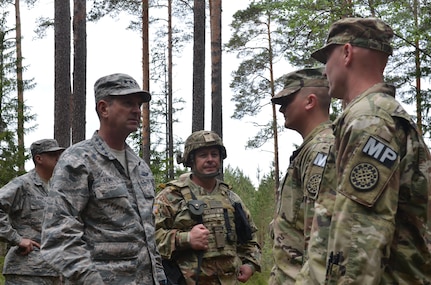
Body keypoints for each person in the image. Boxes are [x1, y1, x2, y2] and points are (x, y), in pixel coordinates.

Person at [297, 17, 431, 284]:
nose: (324, 72)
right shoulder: (368, 115)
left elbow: (359, 237)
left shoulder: (370, 119)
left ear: (346, 53)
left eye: (327, 60)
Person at [40, 73, 167, 285]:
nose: (137, 110)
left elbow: (148, 237)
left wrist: (160, 278)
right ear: (103, 108)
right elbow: (58, 237)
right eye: (127, 103)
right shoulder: (78, 161)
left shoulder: (140, 167)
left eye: (139, 104)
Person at [154, 130, 261, 284]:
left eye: (214, 154)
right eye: (203, 155)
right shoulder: (171, 197)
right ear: (191, 160)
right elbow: (149, 238)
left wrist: (250, 264)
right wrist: (186, 239)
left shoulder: (231, 198)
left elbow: (250, 238)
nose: (210, 159)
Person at [268, 68, 334, 285]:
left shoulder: (322, 150)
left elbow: (322, 234)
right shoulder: (310, 150)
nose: (281, 110)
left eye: (287, 101)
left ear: (310, 101)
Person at [0, 139, 65, 284]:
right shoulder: (23, 185)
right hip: (26, 272)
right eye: (53, 154)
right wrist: (17, 239)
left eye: (59, 154)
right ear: (39, 158)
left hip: (54, 271)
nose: (58, 158)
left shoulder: (57, 188)